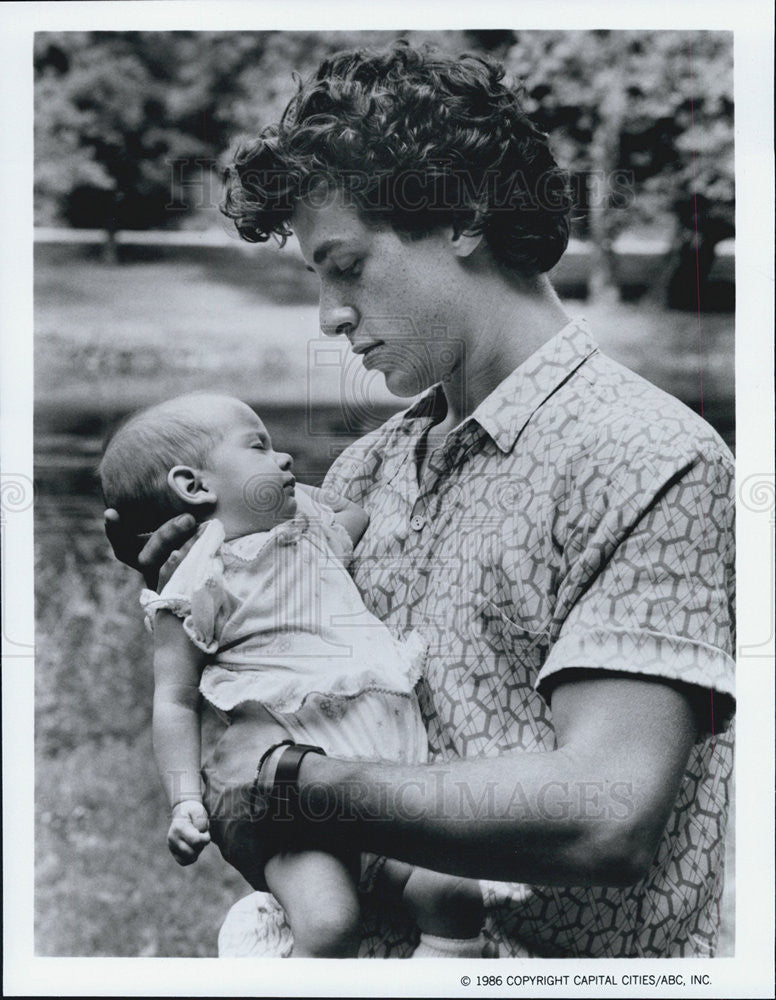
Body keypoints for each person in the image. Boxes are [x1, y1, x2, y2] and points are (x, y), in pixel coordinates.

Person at [106, 42, 735, 957]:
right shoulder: (363, 474)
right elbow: (252, 794)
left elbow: (606, 817)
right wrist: (207, 588)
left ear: (465, 215)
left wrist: (296, 783)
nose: (327, 315)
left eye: (347, 267)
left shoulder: (651, 457)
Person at [99, 391, 487, 957]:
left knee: (450, 889)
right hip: (293, 812)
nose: (283, 459)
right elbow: (175, 700)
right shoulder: (198, 583)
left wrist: (296, 499)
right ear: (194, 485)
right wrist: (184, 799)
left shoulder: (308, 533)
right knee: (330, 925)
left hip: (390, 788)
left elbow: (360, 519)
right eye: (259, 447)